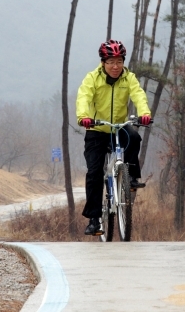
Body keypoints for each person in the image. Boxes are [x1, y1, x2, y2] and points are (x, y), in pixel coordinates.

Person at [76, 39, 152, 236]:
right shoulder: (92, 78)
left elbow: (139, 95)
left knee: (134, 137)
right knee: (94, 172)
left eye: (119, 61)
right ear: (103, 63)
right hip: (97, 129)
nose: (115, 66)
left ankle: (132, 178)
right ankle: (94, 220)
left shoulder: (129, 78)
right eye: (111, 62)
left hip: (119, 127)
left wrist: (144, 113)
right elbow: (83, 97)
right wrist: (84, 117)